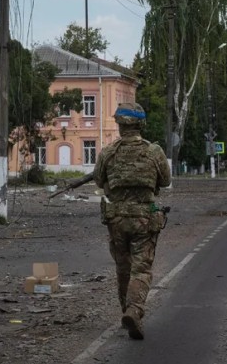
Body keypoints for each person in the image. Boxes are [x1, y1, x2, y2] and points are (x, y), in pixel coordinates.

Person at [67, 102, 171, 339]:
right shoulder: (153, 151)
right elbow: (164, 181)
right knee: (141, 268)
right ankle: (134, 310)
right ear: (141, 124)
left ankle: (127, 310)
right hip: (145, 218)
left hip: (116, 219)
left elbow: (99, 181)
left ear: (119, 124)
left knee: (123, 268)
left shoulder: (107, 152)